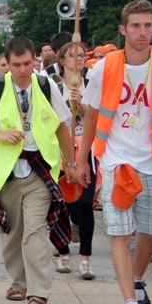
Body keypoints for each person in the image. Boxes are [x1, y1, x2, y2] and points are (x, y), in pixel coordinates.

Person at [77, 0, 152, 304]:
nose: (142, 32)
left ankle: (137, 279)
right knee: (120, 233)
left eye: (147, 26)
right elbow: (92, 115)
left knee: (151, 232)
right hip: (115, 162)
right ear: (123, 30)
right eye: (136, 26)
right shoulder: (105, 67)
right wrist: (83, 160)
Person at [0, 36, 76, 304]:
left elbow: (63, 126)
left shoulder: (47, 86)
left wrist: (72, 163)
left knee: (35, 231)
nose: (23, 70)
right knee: (12, 232)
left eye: (27, 63)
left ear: (35, 60)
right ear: (7, 65)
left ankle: (39, 293)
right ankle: (19, 281)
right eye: (16, 65)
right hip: (6, 173)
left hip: (40, 170)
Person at [50, 42, 97, 280]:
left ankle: (86, 258)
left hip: (86, 151)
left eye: (82, 55)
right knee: (62, 203)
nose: (79, 58)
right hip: (61, 151)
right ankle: (62, 250)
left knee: (85, 202)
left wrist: (83, 105)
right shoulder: (54, 87)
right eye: (73, 55)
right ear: (62, 60)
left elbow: (99, 119)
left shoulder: (92, 86)